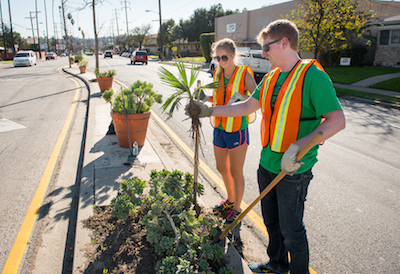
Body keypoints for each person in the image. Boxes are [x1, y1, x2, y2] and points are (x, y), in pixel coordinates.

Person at [187, 19, 345, 274]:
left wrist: (299, 147)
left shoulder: (313, 76)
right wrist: (209, 110)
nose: (264, 54)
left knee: (291, 230)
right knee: (272, 223)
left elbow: (337, 120)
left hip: (293, 170)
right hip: (267, 164)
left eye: (267, 48)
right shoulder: (271, 77)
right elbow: (247, 106)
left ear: (284, 43)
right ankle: (277, 264)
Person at [194, 38, 257, 226]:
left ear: (233, 55)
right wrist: (205, 96)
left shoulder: (244, 74)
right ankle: (230, 201)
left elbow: (258, 98)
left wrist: (243, 98)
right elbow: (220, 97)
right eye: (218, 57)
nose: (221, 61)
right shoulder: (218, 74)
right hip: (220, 126)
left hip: (237, 129)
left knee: (236, 171)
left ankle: (237, 209)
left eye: (225, 57)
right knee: (222, 168)